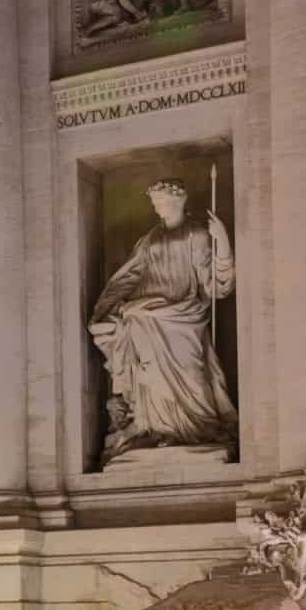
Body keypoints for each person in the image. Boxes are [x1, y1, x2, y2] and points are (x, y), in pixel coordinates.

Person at [88, 178, 236, 463]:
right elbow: (130, 275)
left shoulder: (197, 235)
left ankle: (199, 429)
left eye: (162, 204)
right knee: (134, 318)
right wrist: (106, 306)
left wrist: (224, 242)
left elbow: (216, 285)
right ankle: (158, 428)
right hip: (148, 312)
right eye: (155, 205)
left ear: (178, 202)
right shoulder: (150, 240)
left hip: (184, 313)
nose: (158, 210)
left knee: (191, 372)